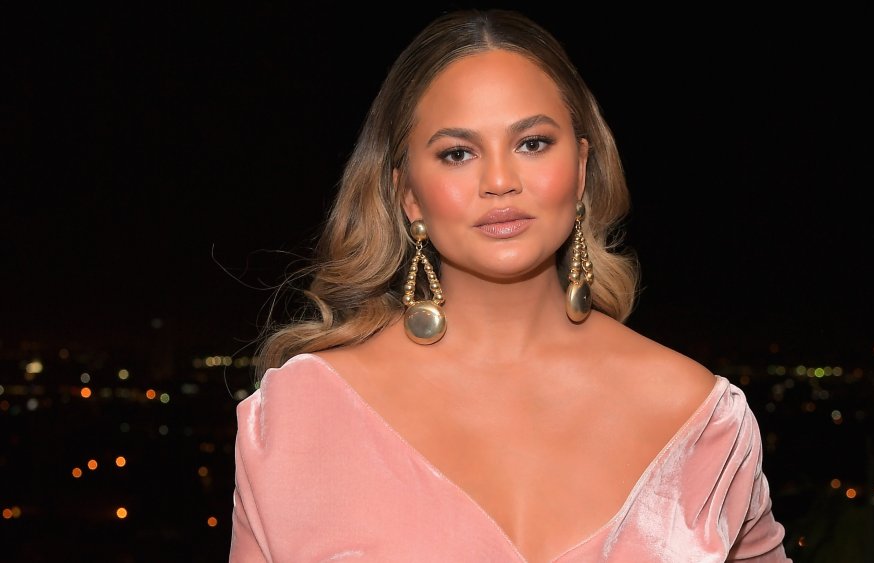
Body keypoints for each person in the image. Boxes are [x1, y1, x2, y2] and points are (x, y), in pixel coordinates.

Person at [228, 8, 790, 562]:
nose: (499, 181)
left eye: (533, 143)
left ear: (583, 166)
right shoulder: (300, 418)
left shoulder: (701, 420)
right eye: (457, 153)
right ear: (409, 195)